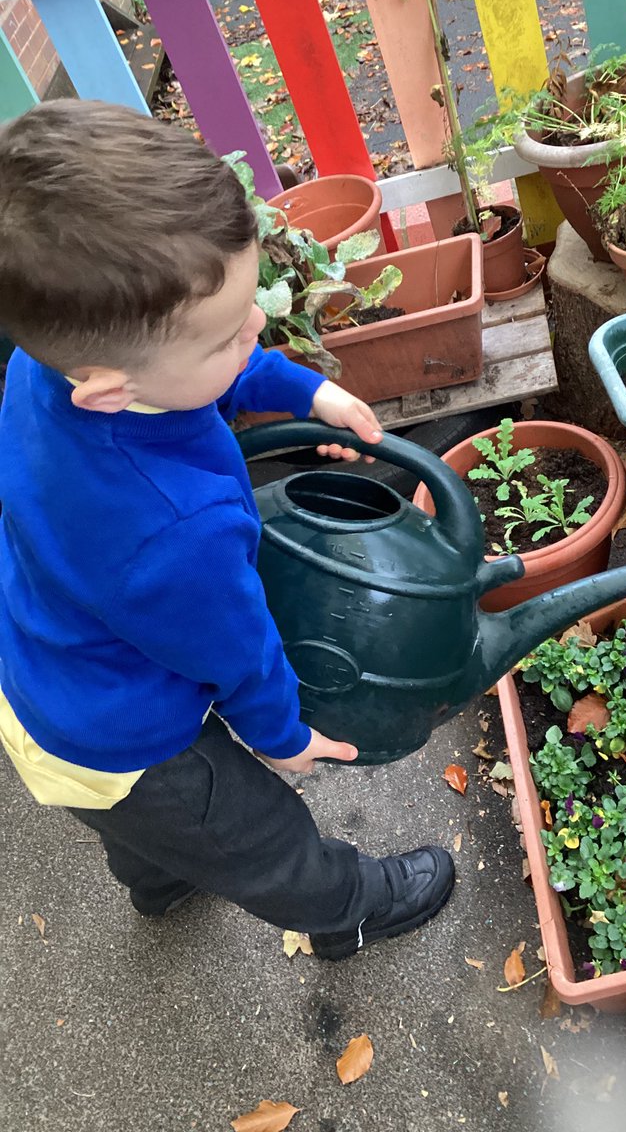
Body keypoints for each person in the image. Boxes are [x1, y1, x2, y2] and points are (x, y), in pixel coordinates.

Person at [0, 100, 454, 960]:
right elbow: (236, 652)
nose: (254, 332)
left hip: (41, 682)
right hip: (132, 738)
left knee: (136, 830)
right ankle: (349, 909)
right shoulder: (176, 532)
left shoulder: (45, 365)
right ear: (105, 384)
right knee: (259, 837)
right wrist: (284, 738)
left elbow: (188, 365)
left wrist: (296, 387)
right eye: (225, 340)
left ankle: (161, 882)